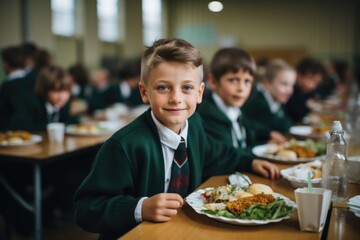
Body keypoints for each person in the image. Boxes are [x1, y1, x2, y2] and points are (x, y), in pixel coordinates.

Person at [74, 38, 280, 240]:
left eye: (187, 88)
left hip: (183, 229)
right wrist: (139, 208)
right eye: (163, 87)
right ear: (144, 92)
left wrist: (250, 161)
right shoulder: (124, 145)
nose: (176, 98)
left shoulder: (195, 125)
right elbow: (86, 209)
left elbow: (216, 153)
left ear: (200, 93)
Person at [197, 48, 287, 151]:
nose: (241, 88)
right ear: (213, 82)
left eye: (247, 81)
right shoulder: (209, 115)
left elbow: (251, 129)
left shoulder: (235, 107)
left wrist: (269, 134)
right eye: (233, 80)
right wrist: (265, 147)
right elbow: (229, 155)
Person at [6, 65, 79, 131]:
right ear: (45, 90)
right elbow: (20, 126)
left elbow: (69, 122)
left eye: (66, 91)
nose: (62, 96)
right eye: (56, 91)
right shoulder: (32, 103)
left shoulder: (64, 104)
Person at [242, 59, 296, 134]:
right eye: (284, 84)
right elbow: (278, 126)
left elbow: (287, 123)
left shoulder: (277, 98)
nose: (290, 91)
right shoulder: (255, 101)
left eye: (292, 85)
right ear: (267, 83)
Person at [285, 57, 326, 123]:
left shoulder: (305, 91)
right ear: (298, 75)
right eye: (310, 79)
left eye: (316, 82)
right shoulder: (288, 91)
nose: (313, 86)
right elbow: (295, 115)